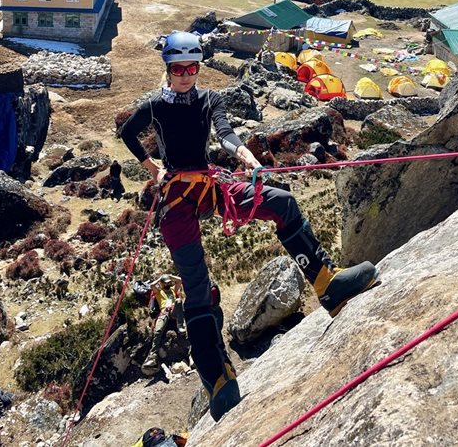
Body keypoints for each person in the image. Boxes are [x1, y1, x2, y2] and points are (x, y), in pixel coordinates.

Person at [119, 31, 378, 422]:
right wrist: (151, 167)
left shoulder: (210, 100)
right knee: (196, 285)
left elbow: (224, 133)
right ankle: (215, 375)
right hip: (177, 195)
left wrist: (244, 154)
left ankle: (328, 284)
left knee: (283, 203)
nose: (186, 75)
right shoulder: (155, 104)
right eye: (179, 68)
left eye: (192, 67)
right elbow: (125, 132)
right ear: (168, 69)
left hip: (208, 185)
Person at [141, 273, 186, 375]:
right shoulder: (159, 292)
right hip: (164, 312)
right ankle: (152, 356)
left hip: (173, 311)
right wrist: (160, 279)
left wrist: (170, 276)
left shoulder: (173, 289)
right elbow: (152, 286)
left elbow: (180, 280)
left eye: (169, 283)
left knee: (178, 301)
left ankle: (180, 326)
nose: (167, 284)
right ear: (162, 284)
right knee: (158, 331)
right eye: (165, 283)